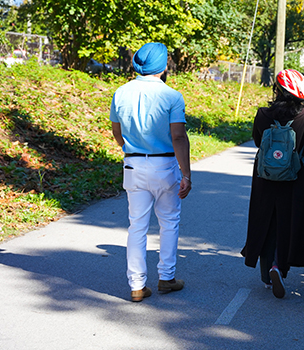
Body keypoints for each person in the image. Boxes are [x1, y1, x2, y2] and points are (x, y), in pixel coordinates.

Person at [110, 42, 191, 302]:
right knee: (168, 222)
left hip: (133, 165)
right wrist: (186, 174)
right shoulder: (172, 96)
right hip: (165, 166)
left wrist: (131, 149)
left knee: (137, 225)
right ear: (163, 65)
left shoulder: (121, 93)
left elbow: (116, 132)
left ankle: (136, 285)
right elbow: (178, 137)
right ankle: (166, 278)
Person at [242, 69, 304, 299]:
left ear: (278, 90)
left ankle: (266, 275)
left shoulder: (262, 114)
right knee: (288, 221)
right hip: (294, 180)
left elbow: (257, 141)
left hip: (264, 178)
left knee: (265, 221)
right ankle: (278, 267)